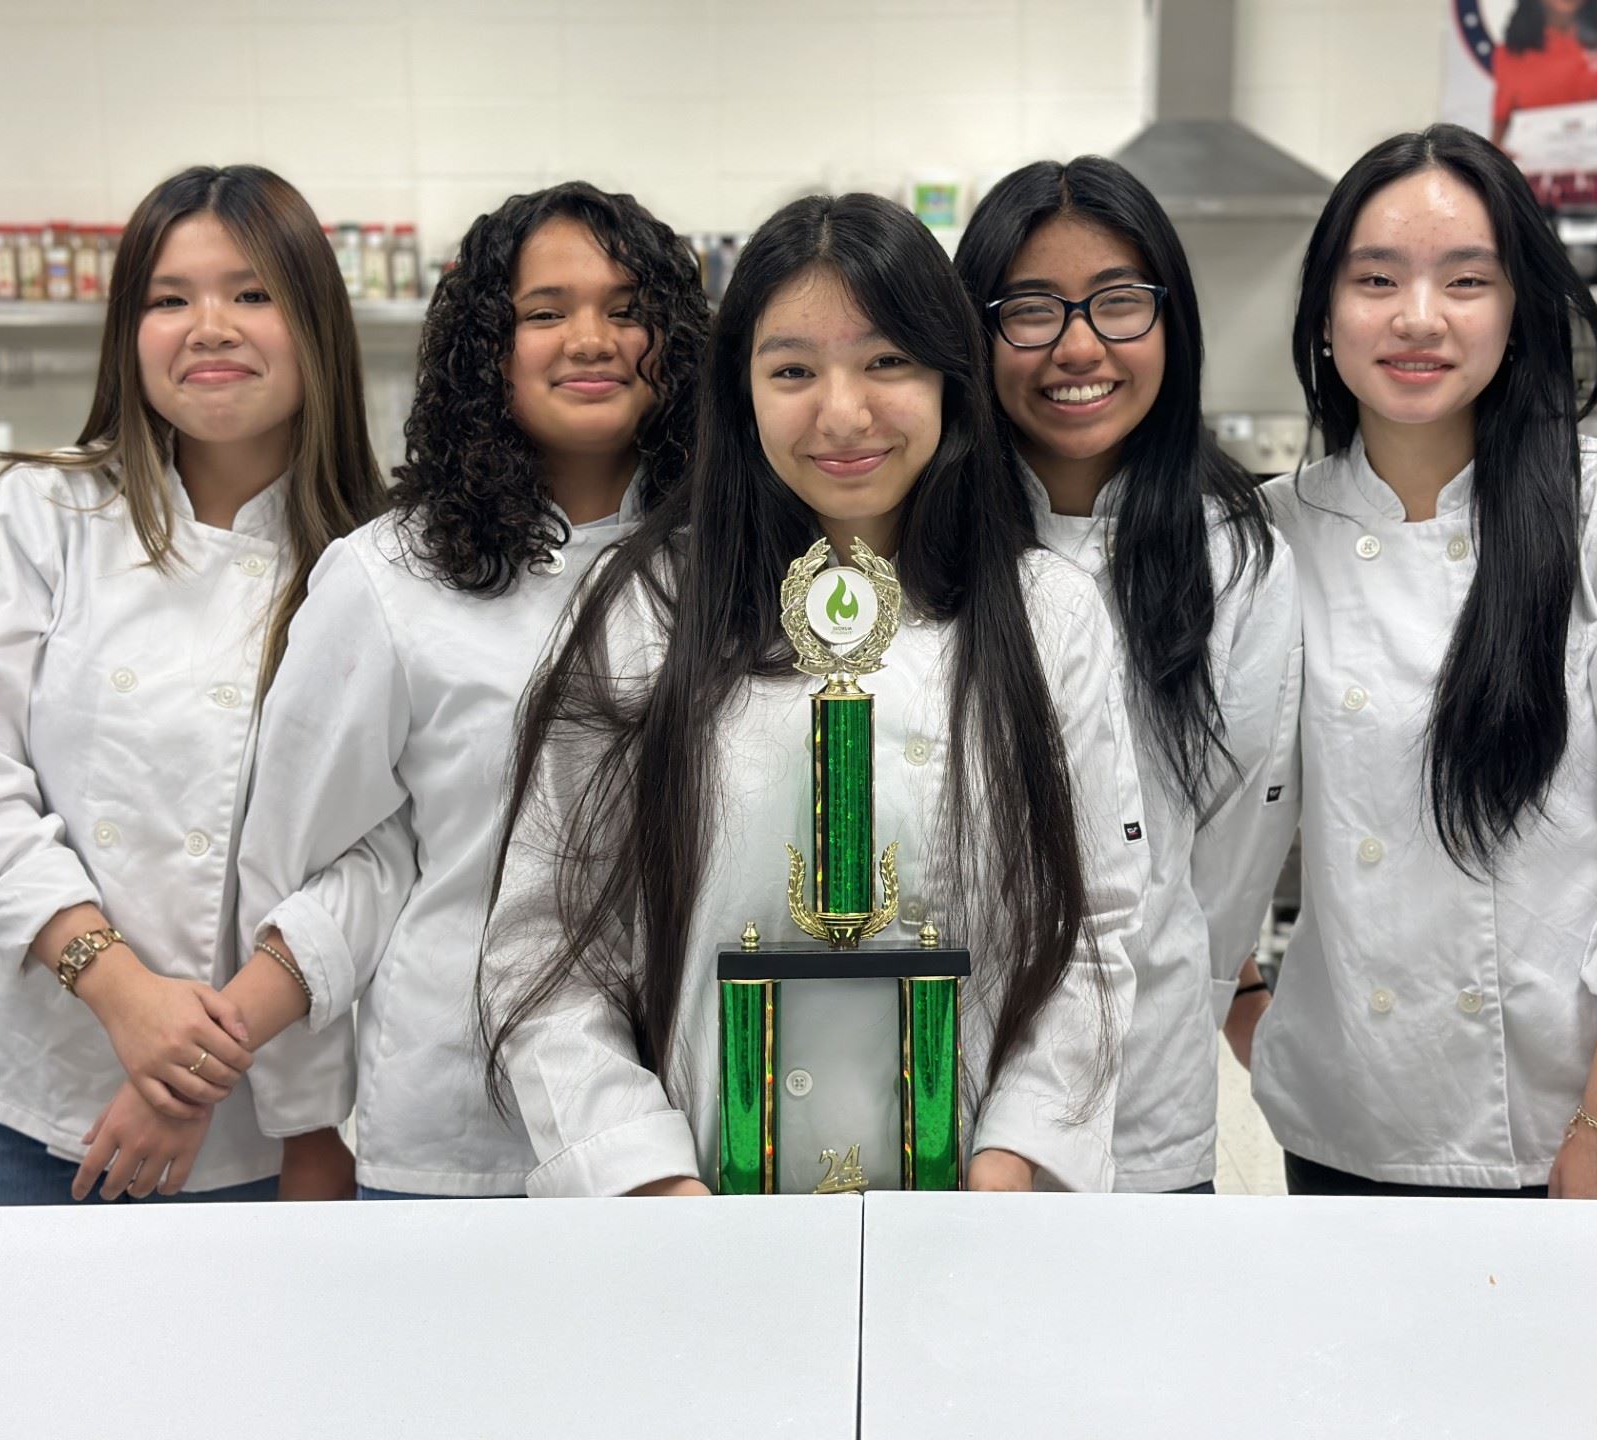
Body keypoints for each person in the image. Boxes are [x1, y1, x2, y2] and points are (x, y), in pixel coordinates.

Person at [480, 193, 1147, 1197]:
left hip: (974, 1212)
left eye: (888, 361)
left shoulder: (1046, 613)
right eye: (792, 370)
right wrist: (649, 1179)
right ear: (740, 391)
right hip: (703, 1206)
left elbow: (1092, 925)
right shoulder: (649, 605)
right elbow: (548, 938)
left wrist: (1015, 1162)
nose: (841, 414)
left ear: (951, 378)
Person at [0, 165, 386, 1204]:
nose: (209, 327)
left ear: (317, 324)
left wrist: (191, 1062)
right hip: (15, 1071)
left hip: (248, 1106)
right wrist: (122, 995)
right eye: (168, 299)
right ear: (129, 333)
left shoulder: (382, 560)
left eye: (251, 293)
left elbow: (381, 853)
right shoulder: (43, 513)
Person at [1257, 123, 1597, 1199]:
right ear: (1324, 315)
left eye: (1466, 280)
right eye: (1375, 279)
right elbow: (1218, 814)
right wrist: (1248, 1000)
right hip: (1354, 1125)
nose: (1418, 317)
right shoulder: (1273, 534)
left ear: (1519, 308)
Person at [225, 183, 708, 1199]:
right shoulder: (388, 577)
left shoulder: (737, 565)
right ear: (487, 346)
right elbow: (298, 864)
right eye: (545, 312)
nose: (592, 340)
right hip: (460, 1134)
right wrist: (306, 1121)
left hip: (696, 1121)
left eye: (628, 310)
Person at [955, 156, 1298, 1195]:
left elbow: (1234, 851)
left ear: (1170, 322)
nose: (1078, 347)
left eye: (1117, 302)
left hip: (1148, 1079)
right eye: (1031, 310)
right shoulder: (928, 541)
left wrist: (1185, 978)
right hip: (945, 1071)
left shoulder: (1234, 554)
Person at [1492, 0, 1597, 172]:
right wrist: (1500, 161)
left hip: (1595, 178)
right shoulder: (1510, 53)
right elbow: (1498, 132)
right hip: (1535, 182)